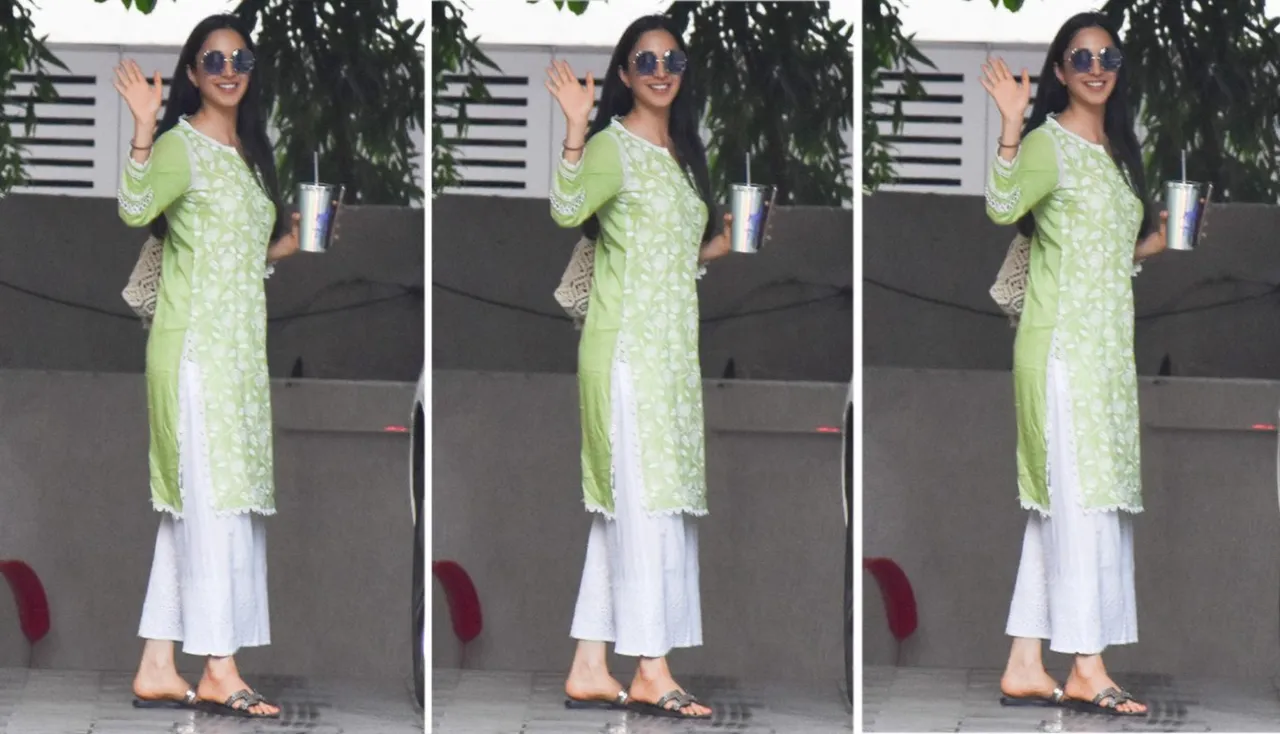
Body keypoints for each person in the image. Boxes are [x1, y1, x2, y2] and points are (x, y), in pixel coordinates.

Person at [544, 13, 734, 721]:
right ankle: (652, 669)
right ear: (624, 74)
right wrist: (574, 127)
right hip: (625, 352)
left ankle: (589, 666)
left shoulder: (682, 155)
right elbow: (567, 209)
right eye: (645, 60)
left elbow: (665, 255)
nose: (660, 72)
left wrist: (716, 247)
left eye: (672, 61)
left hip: (671, 357)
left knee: (627, 510)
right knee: (647, 503)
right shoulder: (611, 145)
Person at [981, 11, 1169, 717]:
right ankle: (1088, 666)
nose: (1096, 68)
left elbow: (1100, 253)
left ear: (1119, 70)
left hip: (1106, 355)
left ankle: (1025, 664)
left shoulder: (1118, 154)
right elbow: (1002, 207)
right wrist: (1010, 124)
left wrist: (1152, 244)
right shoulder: (1048, 142)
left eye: (1108, 57)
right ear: (1060, 71)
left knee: (1063, 506)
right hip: (1061, 350)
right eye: (1081, 57)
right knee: (1083, 500)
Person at [114, 13, 300, 719]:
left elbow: (232, 255)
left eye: (240, 59)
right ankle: (220, 668)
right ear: (192, 73)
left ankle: (157, 666)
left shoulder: (249, 156)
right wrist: (142, 127)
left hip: (238, 358)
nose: (228, 70)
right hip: (193, 352)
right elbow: (135, 208)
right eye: (213, 59)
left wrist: (282, 248)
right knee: (215, 503)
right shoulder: (179, 144)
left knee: (195, 510)